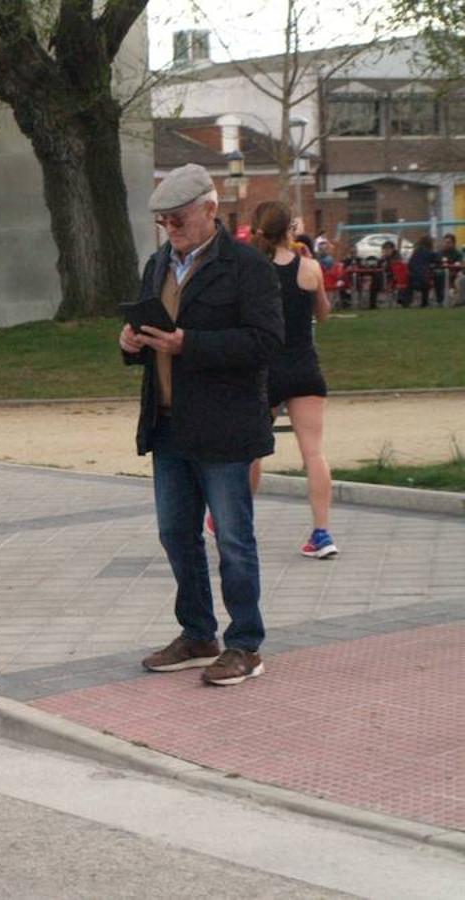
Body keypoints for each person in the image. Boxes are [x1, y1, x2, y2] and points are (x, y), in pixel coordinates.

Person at [118, 163, 284, 687]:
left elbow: (266, 343)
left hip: (225, 428)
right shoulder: (156, 266)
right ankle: (197, 633)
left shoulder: (247, 268)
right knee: (175, 534)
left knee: (233, 538)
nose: (171, 229)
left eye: (179, 219)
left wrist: (192, 344)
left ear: (211, 210)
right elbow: (151, 338)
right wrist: (130, 346)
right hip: (168, 424)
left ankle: (245, 644)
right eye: (164, 222)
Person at [247, 202, 337, 559]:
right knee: (313, 452)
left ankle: (233, 522)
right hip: (304, 366)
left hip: (266, 368)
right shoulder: (311, 267)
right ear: (290, 229)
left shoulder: (256, 270)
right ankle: (322, 533)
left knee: (252, 450)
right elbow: (325, 313)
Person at [407, 235, 437, 308]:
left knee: (424, 278)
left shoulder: (415, 252)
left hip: (412, 279)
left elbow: (409, 264)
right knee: (437, 279)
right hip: (424, 280)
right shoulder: (429, 253)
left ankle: (413, 302)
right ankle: (435, 301)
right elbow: (437, 260)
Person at [435, 233, 461, 306]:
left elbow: (459, 264)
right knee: (438, 275)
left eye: (448, 242)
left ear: (453, 243)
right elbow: (436, 264)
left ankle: (452, 299)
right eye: (445, 242)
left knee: (455, 278)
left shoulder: (457, 253)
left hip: (454, 274)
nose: (446, 244)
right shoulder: (439, 253)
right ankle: (440, 300)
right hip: (440, 275)